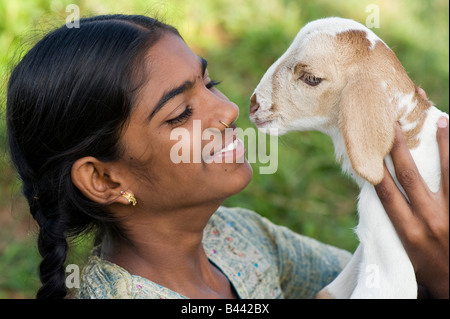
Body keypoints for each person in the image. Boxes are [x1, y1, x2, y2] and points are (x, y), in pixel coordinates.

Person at [6, 14, 449, 299]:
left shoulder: (237, 239)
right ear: (105, 180)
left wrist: (425, 264)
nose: (229, 110)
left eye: (210, 82)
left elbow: (359, 278)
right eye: (181, 113)